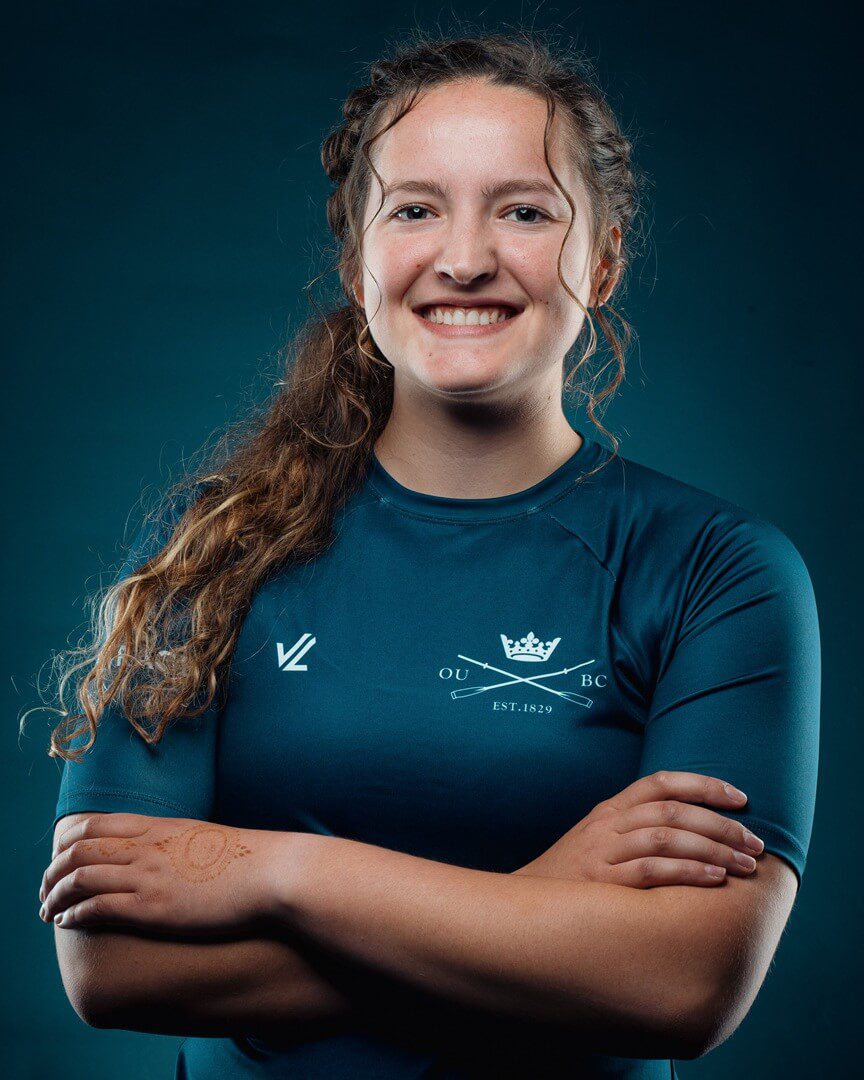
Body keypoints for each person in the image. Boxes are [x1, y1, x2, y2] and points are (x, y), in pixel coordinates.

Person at [38, 29, 820, 1080]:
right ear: (357, 260)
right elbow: (112, 967)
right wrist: (546, 903)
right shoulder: (210, 547)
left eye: (525, 211)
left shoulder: (718, 570)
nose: (464, 258)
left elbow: (682, 985)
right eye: (414, 209)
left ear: (603, 260)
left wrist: (283, 873)